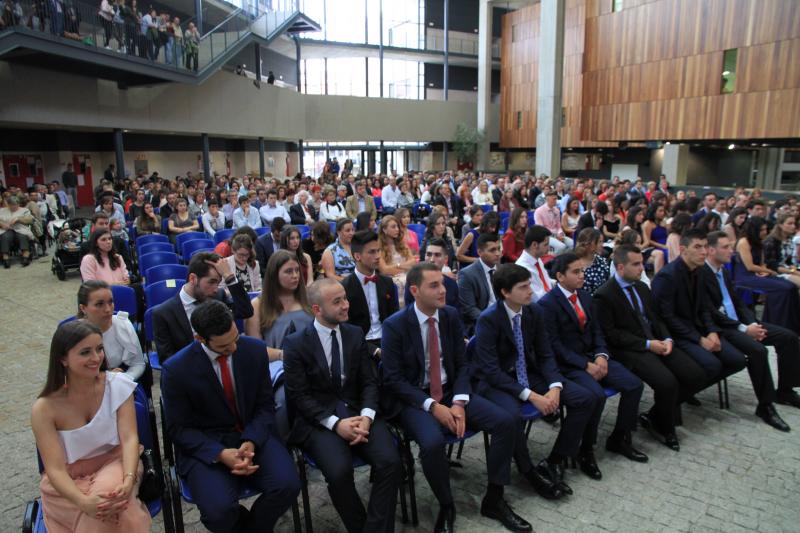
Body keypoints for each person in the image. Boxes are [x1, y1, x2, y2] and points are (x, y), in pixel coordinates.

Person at [381, 263, 532, 533]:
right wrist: (433, 407)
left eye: (443, 282)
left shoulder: (450, 316)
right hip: (415, 399)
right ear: (414, 291)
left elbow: (463, 365)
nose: (443, 289)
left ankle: (494, 499)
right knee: (432, 442)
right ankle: (446, 504)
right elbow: (393, 380)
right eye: (434, 285)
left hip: (452, 391)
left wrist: (459, 402)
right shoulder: (395, 326)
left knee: (506, 421)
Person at [160, 300, 301, 533]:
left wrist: (251, 441)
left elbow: (265, 406)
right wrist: (219, 454)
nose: (233, 348)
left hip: (251, 433)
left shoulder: (253, 350)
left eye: (235, 339)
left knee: (287, 485)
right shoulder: (176, 369)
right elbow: (178, 429)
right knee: (219, 513)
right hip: (207, 446)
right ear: (200, 339)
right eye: (224, 347)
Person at [283, 279, 403, 533]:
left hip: (359, 412)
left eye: (345, 298)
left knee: (390, 461)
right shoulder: (296, 343)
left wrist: (367, 417)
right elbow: (299, 396)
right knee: (338, 473)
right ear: (316, 309)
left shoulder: (354, 334)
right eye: (336, 301)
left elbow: (369, 383)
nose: (345, 305)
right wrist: (335, 424)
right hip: (320, 420)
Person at [473, 263, 594, 500]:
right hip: (499, 382)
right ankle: (528, 471)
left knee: (584, 399)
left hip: (529, 373)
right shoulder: (488, 319)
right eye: (523, 287)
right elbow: (490, 371)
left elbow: (545, 353)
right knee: (512, 417)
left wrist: (555, 387)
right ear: (505, 293)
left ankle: (554, 460)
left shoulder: (534, 311)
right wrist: (532, 396)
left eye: (530, 284)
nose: (531, 291)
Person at [31, 321, 152, 533]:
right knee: (111, 512)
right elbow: (55, 469)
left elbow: (130, 439)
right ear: (62, 359)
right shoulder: (45, 408)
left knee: (107, 499)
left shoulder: (118, 384)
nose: (96, 358)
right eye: (85, 352)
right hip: (68, 481)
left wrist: (129, 479)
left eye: (99, 349)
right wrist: (82, 502)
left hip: (116, 462)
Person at [539, 253, 648, 479]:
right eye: (576, 272)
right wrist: (584, 364)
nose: (582, 275)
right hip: (569, 364)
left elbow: (598, 331)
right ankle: (585, 450)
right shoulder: (547, 304)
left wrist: (601, 355)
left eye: (583, 270)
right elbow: (555, 346)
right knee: (595, 396)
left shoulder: (587, 297)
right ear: (560, 276)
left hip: (593, 357)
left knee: (634, 384)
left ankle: (619, 438)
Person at [593, 245, 706, 451]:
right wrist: (647, 344)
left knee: (695, 374)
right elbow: (612, 335)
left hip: (654, 341)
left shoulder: (642, 287)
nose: (641, 268)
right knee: (667, 382)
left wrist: (667, 338)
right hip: (629, 349)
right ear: (619, 267)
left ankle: (654, 416)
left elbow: (656, 319)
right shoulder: (605, 295)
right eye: (635, 264)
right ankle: (665, 427)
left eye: (641, 263)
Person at [702, 231, 798, 428]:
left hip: (741, 323)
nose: (731, 251)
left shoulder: (724, 271)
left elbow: (737, 303)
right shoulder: (701, 274)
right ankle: (766, 405)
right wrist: (743, 328)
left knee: (789, 338)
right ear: (711, 250)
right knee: (758, 351)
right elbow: (709, 312)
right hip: (723, 329)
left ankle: (785, 391)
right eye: (726, 247)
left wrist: (751, 323)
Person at [651, 229, 748, 399]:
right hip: (677, 334)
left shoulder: (700, 271)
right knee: (712, 365)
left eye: (704, 246)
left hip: (699, 329)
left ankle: (686, 392)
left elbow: (705, 307)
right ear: (683, 250)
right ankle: (667, 406)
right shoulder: (667, 276)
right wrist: (699, 339)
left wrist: (712, 331)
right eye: (697, 247)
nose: (703, 252)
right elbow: (666, 317)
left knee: (738, 360)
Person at [152, 252, 254, 363]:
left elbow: (246, 311)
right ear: (193, 278)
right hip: (190, 370)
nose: (216, 289)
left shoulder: (218, 296)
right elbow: (167, 360)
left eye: (218, 283)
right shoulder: (163, 313)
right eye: (212, 282)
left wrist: (229, 277)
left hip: (223, 362)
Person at [245, 250, 313, 363]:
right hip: (276, 367)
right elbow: (255, 349)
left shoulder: (310, 298)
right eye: (288, 271)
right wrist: (283, 354)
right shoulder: (257, 305)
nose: (295, 276)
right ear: (274, 275)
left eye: (297, 270)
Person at [734, 216, 800, 333]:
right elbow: (749, 266)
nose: (765, 232)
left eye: (765, 229)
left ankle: (792, 325)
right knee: (783, 289)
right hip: (745, 277)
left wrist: (764, 271)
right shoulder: (744, 242)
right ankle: (777, 324)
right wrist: (770, 272)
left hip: (758, 274)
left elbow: (762, 263)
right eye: (762, 230)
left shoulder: (759, 242)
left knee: (791, 286)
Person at [341, 230, 399, 361]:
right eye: (372, 252)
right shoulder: (344, 287)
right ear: (357, 256)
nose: (378, 256)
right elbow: (345, 328)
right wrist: (373, 350)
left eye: (378, 251)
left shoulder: (387, 283)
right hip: (360, 345)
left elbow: (394, 317)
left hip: (387, 340)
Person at [77, 280, 146, 382]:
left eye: (111, 302)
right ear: (83, 308)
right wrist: (105, 378)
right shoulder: (74, 334)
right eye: (99, 304)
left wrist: (122, 379)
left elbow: (138, 364)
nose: (108, 309)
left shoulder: (123, 325)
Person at [458, 233, 502, 336]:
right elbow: (469, 309)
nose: (497, 253)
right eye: (492, 250)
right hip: (480, 323)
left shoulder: (501, 269)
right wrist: (492, 322)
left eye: (498, 249)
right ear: (479, 252)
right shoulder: (467, 274)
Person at [404, 237, 460, 310]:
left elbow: (456, 316)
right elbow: (409, 312)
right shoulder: (413, 282)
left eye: (437, 255)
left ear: (446, 259)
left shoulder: (452, 285)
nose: (432, 259)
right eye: (429, 254)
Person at [377, 215, 416, 305]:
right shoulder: (378, 247)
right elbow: (385, 270)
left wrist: (398, 266)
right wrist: (405, 266)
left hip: (406, 276)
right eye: (393, 227)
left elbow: (413, 262)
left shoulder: (402, 244)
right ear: (384, 230)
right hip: (391, 280)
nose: (397, 229)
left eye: (397, 226)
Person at [515, 225, 554, 303]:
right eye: (545, 244)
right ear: (534, 245)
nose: (548, 247)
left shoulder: (537, 259)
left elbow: (546, 283)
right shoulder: (522, 268)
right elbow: (537, 298)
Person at [763, 212, 800, 288]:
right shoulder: (771, 241)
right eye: (789, 223)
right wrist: (793, 271)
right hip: (775, 272)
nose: (793, 226)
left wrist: (794, 269)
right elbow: (772, 265)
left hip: (787, 269)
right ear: (780, 225)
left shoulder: (789, 239)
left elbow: (788, 261)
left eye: (794, 223)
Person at [0, 194, 34, 267]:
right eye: (12, 205)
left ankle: (26, 255)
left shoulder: (25, 210)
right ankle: (5, 257)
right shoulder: (2, 210)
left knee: (22, 236)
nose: (14, 206)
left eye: (16, 204)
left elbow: (30, 220)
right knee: (4, 237)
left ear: (18, 204)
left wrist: (18, 219)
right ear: (8, 205)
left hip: (20, 228)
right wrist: (2, 224)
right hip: (6, 229)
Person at [573, 228, 610, 295]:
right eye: (600, 242)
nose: (602, 245)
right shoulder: (573, 262)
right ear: (590, 244)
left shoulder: (602, 261)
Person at [642, 203, 669, 268]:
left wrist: (666, 226)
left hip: (666, 244)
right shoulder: (648, 223)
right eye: (660, 211)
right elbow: (648, 240)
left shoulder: (663, 222)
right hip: (656, 247)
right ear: (654, 212)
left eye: (663, 211)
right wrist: (662, 246)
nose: (663, 213)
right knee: (668, 253)